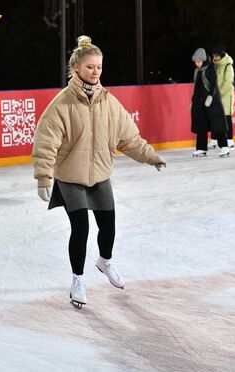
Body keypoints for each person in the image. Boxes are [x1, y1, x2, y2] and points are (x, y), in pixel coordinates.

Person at [32, 35, 166, 309]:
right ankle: (78, 280)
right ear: (77, 69)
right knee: (80, 228)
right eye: (90, 67)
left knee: (108, 226)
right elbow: (46, 141)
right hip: (70, 177)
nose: (95, 72)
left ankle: (104, 261)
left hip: (100, 175)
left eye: (99, 67)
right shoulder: (62, 104)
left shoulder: (109, 103)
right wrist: (44, 176)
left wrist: (150, 157)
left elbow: (129, 139)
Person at [190, 48, 229, 158]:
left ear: (203, 60)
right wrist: (193, 101)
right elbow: (196, 88)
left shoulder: (211, 69)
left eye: (198, 62)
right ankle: (201, 148)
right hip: (201, 102)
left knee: (218, 124)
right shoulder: (197, 71)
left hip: (213, 101)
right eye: (195, 62)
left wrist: (211, 97)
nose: (197, 64)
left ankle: (224, 147)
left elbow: (214, 85)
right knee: (201, 124)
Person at [209, 43, 235, 152]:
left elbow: (228, 83)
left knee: (226, 118)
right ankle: (214, 140)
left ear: (222, 55)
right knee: (215, 118)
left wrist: (219, 93)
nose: (214, 58)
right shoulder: (214, 65)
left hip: (225, 95)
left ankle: (230, 140)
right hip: (216, 95)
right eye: (213, 56)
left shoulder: (228, 65)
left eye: (216, 56)